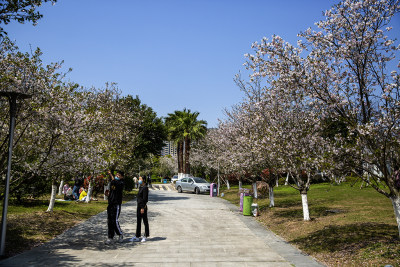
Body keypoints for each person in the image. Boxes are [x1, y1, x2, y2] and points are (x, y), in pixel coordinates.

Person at [105, 170, 125, 244]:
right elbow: (112, 189)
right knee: (109, 220)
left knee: (115, 220)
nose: (117, 176)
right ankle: (110, 237)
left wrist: (111, 174)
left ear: (122, 177)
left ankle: (120, 234)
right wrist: (108, 194)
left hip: (116, 204)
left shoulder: (121, 183)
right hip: (110, 203)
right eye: (116, 175)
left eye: (119, 175)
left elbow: (116, 183)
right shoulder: (113, 182)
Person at [130, 176, 149, 242]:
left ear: (143, 180)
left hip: (143, 207)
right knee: (138, 221)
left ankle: (146, 235)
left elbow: (145, 199)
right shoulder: (140, 187)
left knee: (145, 221)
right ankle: (137, 236)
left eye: (140, 179)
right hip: (139, 206)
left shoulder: (145, 188)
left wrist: (142, 207)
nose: (139, 180)